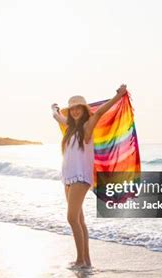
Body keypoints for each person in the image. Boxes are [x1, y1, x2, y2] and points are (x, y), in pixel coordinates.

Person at [51, 84, 128, 268]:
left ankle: (80, 260)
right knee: (79, 220)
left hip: (81, 178)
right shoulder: (69, 127)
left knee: (71, 218)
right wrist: (54, 108)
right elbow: (56, 116)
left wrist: (118, 96)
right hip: (68, 178)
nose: (76, 111)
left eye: (79, 108)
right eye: (73, 109)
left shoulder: (88, 125)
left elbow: (101, 112)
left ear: (84, 110)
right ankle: (86, 261)